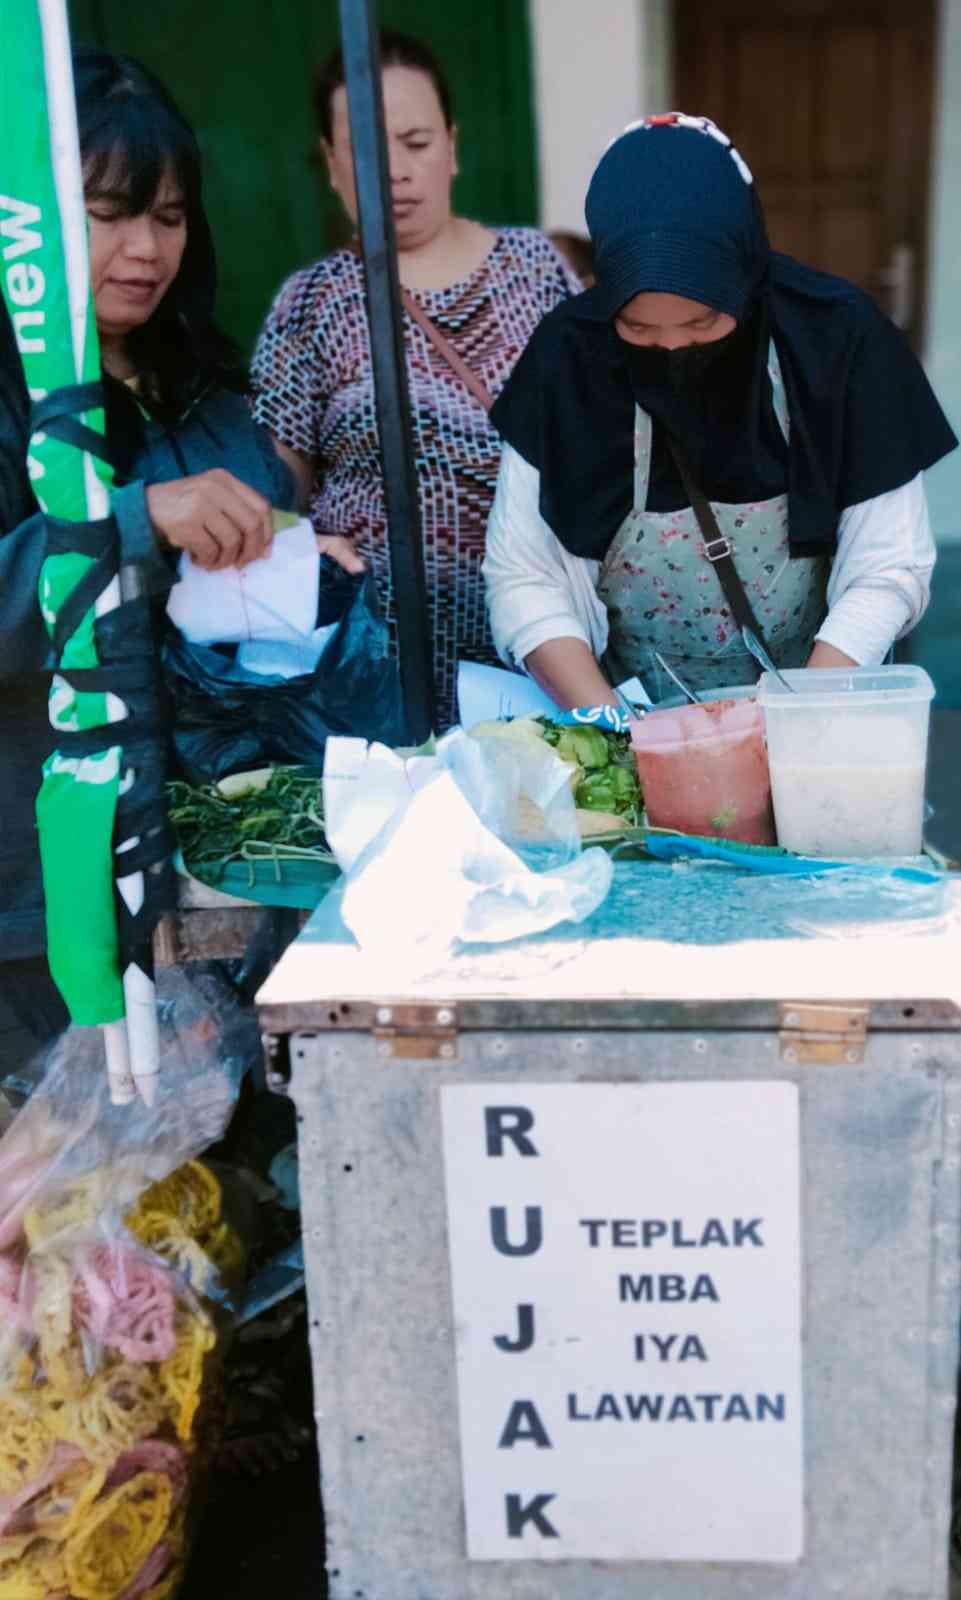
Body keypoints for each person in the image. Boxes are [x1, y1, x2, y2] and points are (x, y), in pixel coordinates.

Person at [0, 48, 295, 1049]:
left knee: (206, 1189)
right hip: (43, 893)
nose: (144, 249)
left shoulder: (201, 378)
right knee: (61, 1190)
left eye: (167, 217)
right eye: (108, 213)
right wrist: (136, 519)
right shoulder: (15, 396)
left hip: (221, 866)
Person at [483, 114, 957, 709]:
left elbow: (888, 568)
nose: (675, 349)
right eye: (639, 328)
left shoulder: (835, 340)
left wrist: (794, 719)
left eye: (702, 323)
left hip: (817, 703)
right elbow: (524, 577)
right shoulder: (569, 361)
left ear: (744, 273)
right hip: (632, 718)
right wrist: (620, 730)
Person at [251, 29, 582, 730]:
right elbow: (279, 501)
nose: (394, 171)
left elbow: (601, 446)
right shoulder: (310, 304)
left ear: (453, 146)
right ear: (332, 164)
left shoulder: (536, 270)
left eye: (417, 141)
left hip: (535, 651)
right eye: (367, 149)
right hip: (372, 667)